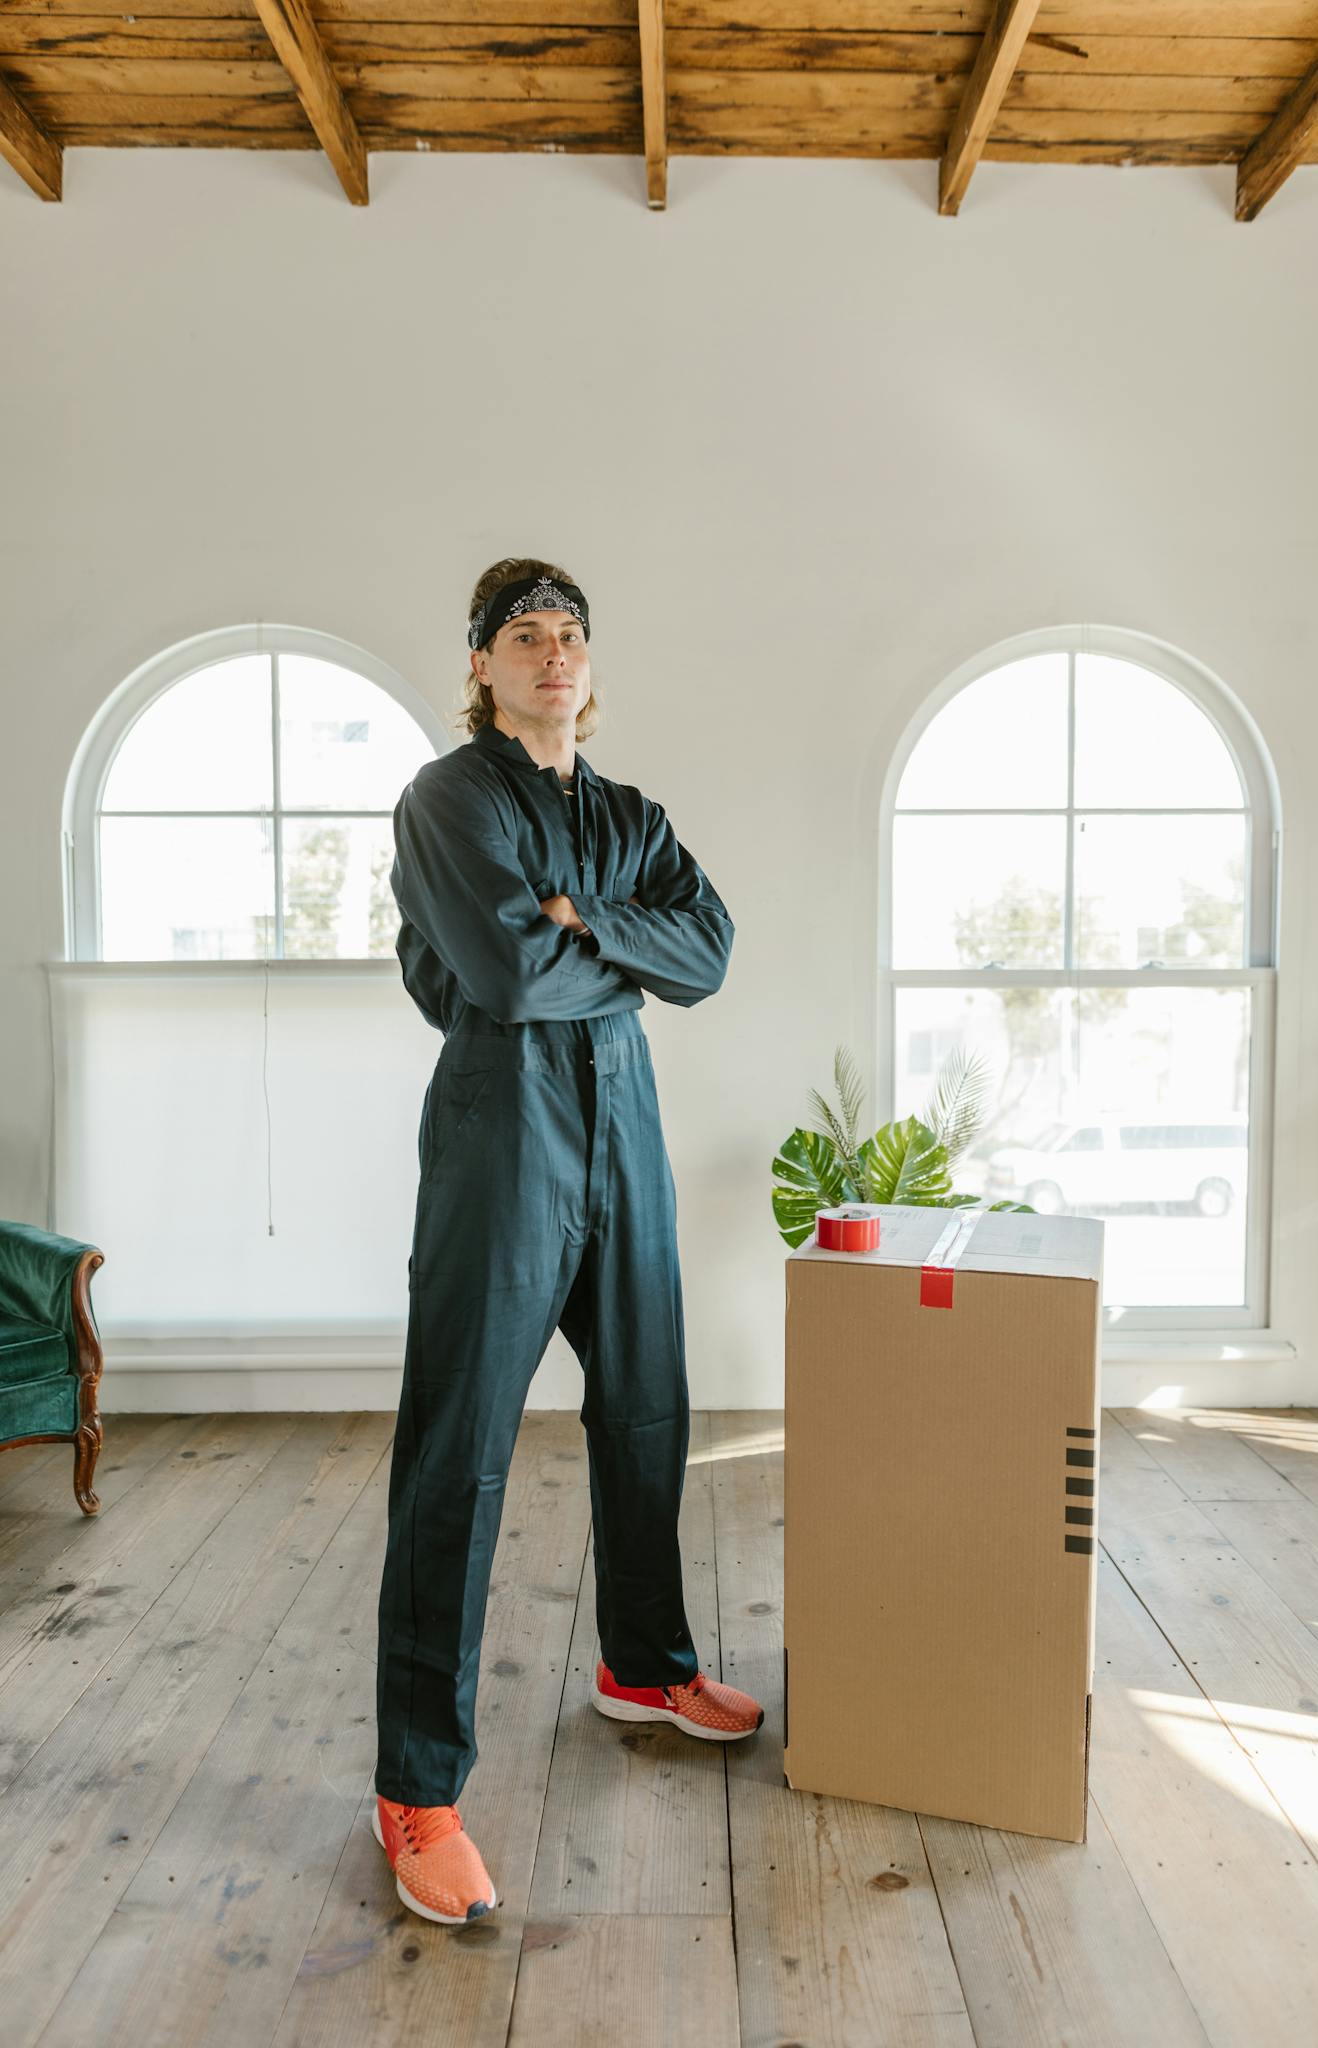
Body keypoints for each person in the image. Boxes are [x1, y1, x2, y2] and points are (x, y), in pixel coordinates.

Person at [371, 558, 763, 1927]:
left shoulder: (629, 815)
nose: (552, 654)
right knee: (460, 1450)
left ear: (591, 667)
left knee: (650, 1407)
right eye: (524, 637)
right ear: (480, 666)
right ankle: (415, 1786)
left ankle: (643, 1667)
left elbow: (709, 953)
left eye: (570, 636)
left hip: (624, 1130)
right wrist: (606, 951)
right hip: (503, 1132)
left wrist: (584, 913)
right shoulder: (448, 800)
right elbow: (504, 977)